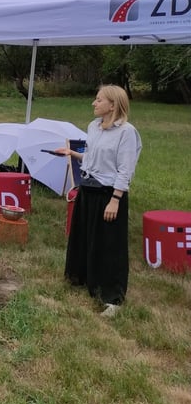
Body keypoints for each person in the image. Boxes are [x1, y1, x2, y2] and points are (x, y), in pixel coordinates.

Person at [55, 84, 142, 318]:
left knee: (109, 245)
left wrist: (115, 200)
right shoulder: (93, 127)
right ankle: (84, 279)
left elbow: (124, 170)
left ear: (112, 105)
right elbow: (93, 158)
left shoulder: (127, 132)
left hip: (108, 193)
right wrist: (73, 154)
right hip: (88, 189)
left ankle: (112, 298)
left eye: (99, 99)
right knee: (84, 237)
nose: (94, 103)